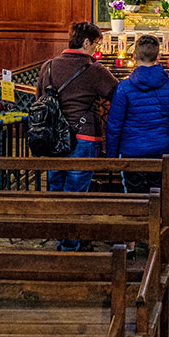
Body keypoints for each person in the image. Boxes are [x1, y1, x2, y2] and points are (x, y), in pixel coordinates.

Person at [35, 21, 118, 251]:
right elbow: (117, 94)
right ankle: (71, 246)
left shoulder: (48, 66)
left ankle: (63, 239)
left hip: (52, 139)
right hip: (83, 138)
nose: (96, 49)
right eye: (95, 44)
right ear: (86, 42)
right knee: (76, 192)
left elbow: (39, 100)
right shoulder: (95, 70)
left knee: (56, 190)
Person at [105, 34, 169, 256]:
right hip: (160, 151)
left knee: (133, 199)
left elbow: (114, 125)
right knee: (157, 197)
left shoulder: (125, 87)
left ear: (134, 56)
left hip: (132, 152)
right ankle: (155, 245)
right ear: (158, 55)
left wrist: (112, 156)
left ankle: (130, 246)